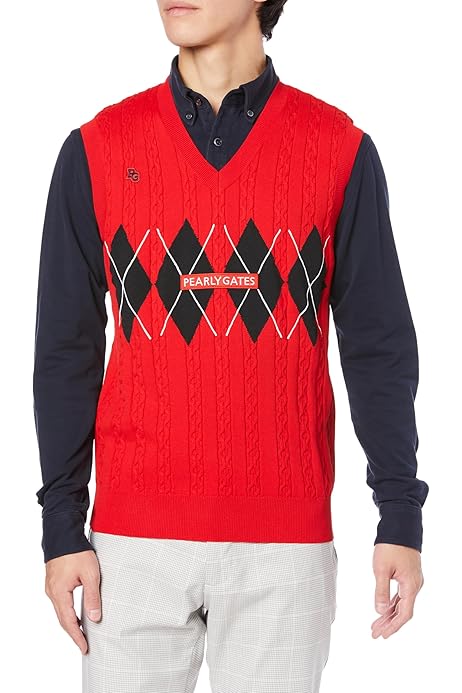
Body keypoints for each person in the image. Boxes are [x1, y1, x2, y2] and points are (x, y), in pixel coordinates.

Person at [33, 1, 429, 691]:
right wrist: (61, 528)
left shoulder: (338, 149)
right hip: (131, 548)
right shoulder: (96, 149)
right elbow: (65, 352)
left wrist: (399, 514)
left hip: (285, 549)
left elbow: (377, 346)